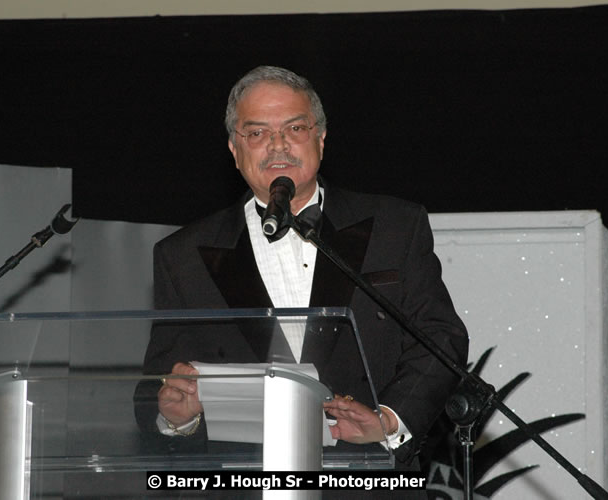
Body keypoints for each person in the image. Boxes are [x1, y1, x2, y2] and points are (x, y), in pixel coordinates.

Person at [135, 66, 468, 474]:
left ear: (321, 139)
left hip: (371, 477)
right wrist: (176, 416)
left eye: (294, 128)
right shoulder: (182, 255)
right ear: (233, 149)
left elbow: (441, 338)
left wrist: (387, 420)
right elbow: (158, 384)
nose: (278, 146)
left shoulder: (395, 226)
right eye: (256, 133)